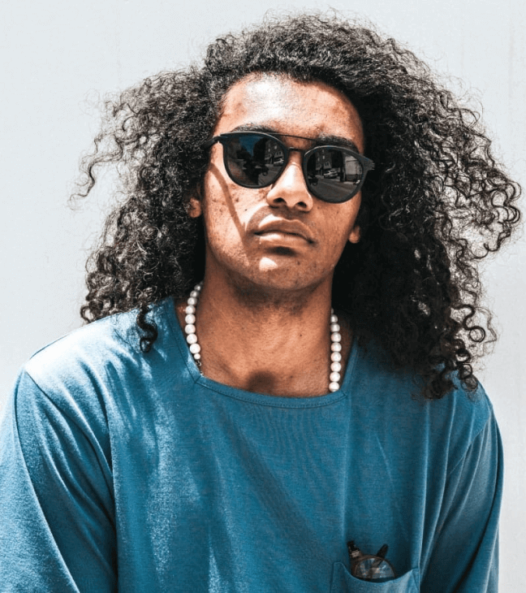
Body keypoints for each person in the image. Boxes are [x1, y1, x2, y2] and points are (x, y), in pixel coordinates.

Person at [0, 13, 521, 593]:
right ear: (193, 189)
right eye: (253, 155)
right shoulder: (78, 402)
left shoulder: (440, 417)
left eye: (333, 168)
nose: (291, 191)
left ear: (360, 215)